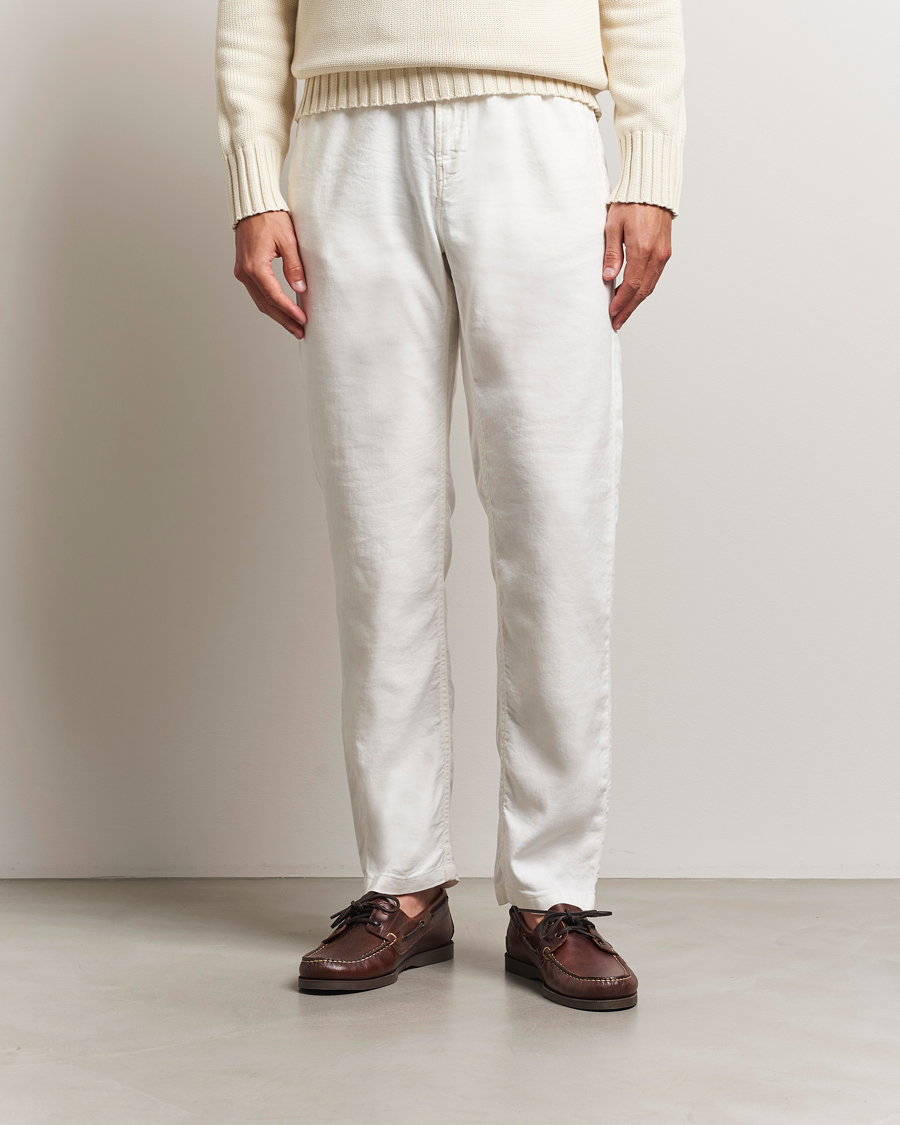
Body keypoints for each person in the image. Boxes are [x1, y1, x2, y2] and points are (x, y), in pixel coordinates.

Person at [215, 0, 684, 1011]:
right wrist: (256, 182)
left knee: (556, 526)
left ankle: (554, 894)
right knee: (379, 535)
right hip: (348, 135)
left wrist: (650, 171)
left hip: (538, 128)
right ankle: (404, 884)